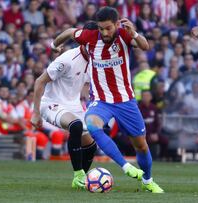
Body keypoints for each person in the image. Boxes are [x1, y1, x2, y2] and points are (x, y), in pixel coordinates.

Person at [52, 7, 164, 193]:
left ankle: (147, 180)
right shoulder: (89, 36)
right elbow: (69, 32)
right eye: (101, 28)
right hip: (101, 100)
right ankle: (126, 167)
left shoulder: (124, 35)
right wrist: (54, 45)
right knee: (92, 124)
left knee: (141, 146)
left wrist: (134, 32)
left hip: (125, 101)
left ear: (117, 24)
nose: (104, 32)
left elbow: (145, 46)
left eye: (108, 28)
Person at [30, 23, 98, 190]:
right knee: (76, 126)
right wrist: (36, 113)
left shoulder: (96, 60)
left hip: (73, 106)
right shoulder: (67, 59)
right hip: (52, 103)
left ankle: (80, 181)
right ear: (84, 41)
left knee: (91, 145)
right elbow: (40, 82)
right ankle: (78, 174)